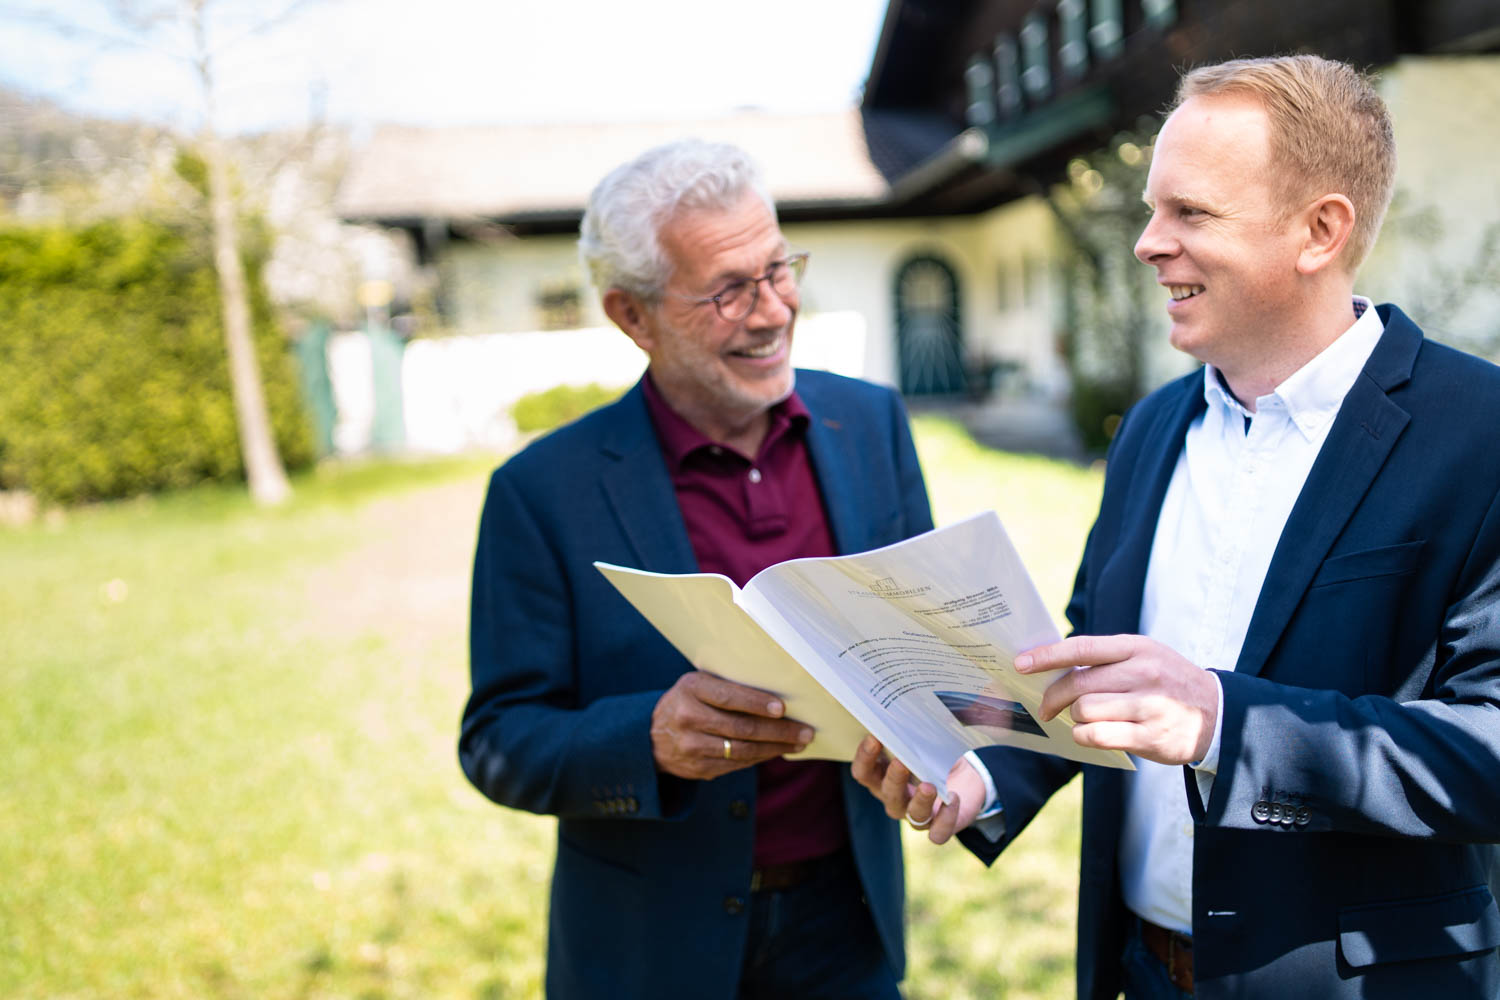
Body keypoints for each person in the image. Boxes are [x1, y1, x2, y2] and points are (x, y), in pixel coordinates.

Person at [854, 53, 1500, 997]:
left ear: (1320, 231)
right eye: (1155, 210)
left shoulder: (1479, 433)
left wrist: (1225, 723)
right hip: (1136, 969)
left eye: (1191, 214)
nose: (1148, 243)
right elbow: (1092, 665)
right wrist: (977, 771)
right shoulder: (1155, 427)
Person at [460, 139, 933, 999]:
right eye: (728, 290)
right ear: (631, 315)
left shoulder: (872, 424)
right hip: (647, 951)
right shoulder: (541, 491)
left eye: (779, 268)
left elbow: (925, 655)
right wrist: (646, 740)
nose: (772, 311)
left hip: (850, 930)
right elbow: (497, 742)